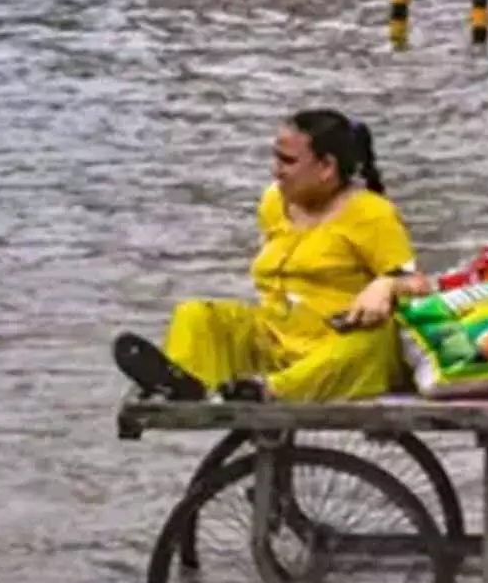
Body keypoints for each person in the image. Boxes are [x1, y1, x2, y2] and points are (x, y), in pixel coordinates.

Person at [112, 109, 432, 404]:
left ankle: (269, 392)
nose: (275, 170)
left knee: (370, 343)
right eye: (275, 158)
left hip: (338, 351)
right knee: (196, 314)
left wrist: (387, 285)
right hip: (276, 340)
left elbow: (418, 284)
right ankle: (184, 384)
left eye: (287, 161)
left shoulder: (371, 214)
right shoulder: (273, 203)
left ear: (326, 168)